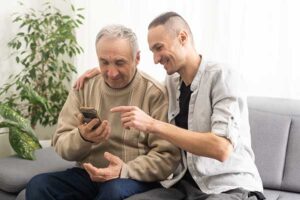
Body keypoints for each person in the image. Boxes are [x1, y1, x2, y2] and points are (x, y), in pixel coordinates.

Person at [75, 12, 265, 200]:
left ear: (182, 37)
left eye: (159, 48)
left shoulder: (223, 76)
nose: (156, 59)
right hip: (183, 185)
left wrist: (153, 125)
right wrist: (104, 72)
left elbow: (221, 149)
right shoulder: (172, 82)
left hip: (228, 187)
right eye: (152, 52)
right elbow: (140, 82)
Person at [25, 24, 181, 200]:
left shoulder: (155, 94)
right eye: (104, 62)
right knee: (39, 185)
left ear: (137, 58)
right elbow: (60, 144)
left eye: (120, 62)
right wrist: (82, 138)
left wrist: (124, 170)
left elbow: (167, 157)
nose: (111, 73)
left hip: (131, 176)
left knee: (112, 192)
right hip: (88, 174)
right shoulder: (83, 87)